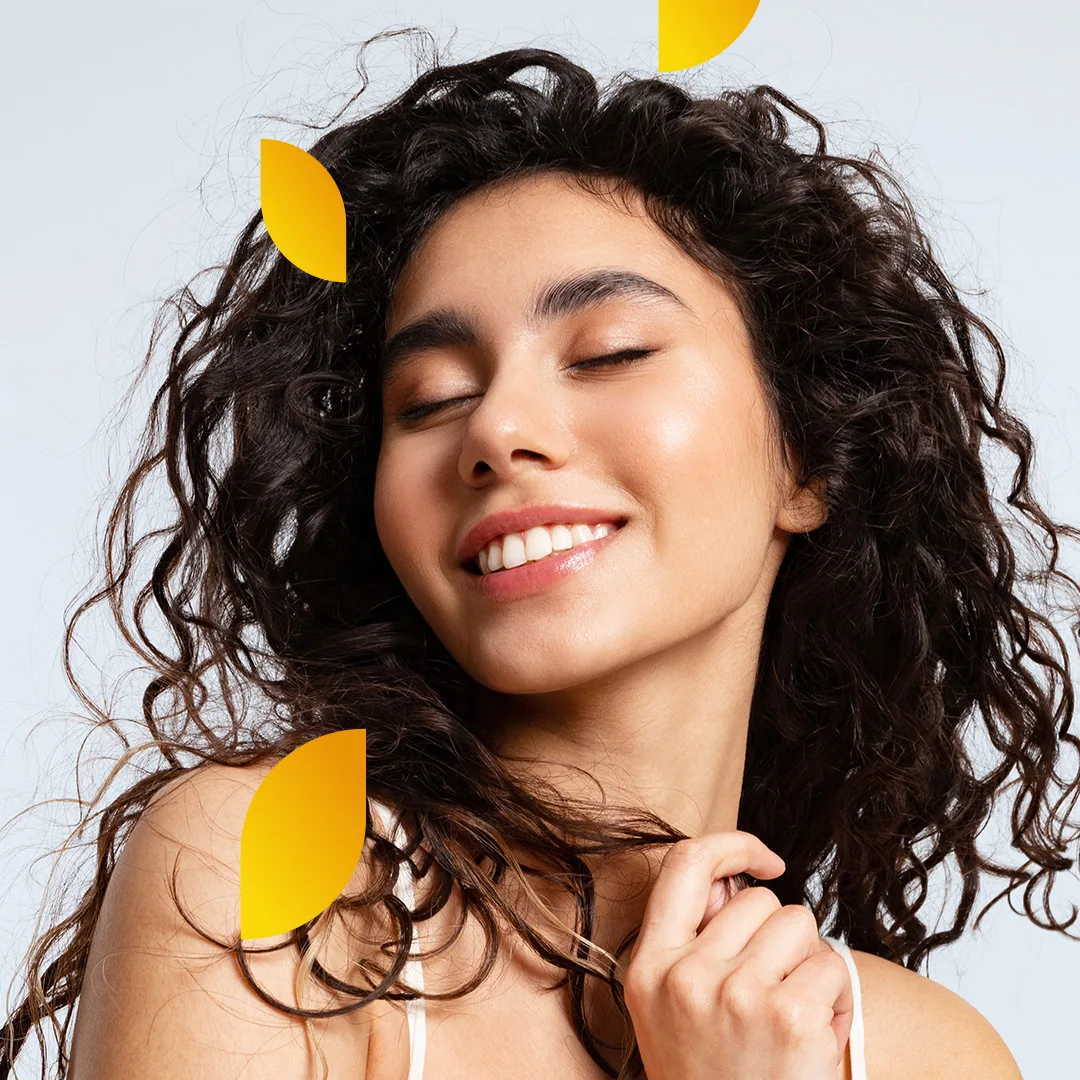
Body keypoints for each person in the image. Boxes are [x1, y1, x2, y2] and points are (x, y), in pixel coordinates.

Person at [3, 26, 1076, 1080]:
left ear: (809, 460)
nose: (495, 430)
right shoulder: (279, 886)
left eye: (609, 351)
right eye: (429, 399)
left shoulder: (927, 1055)